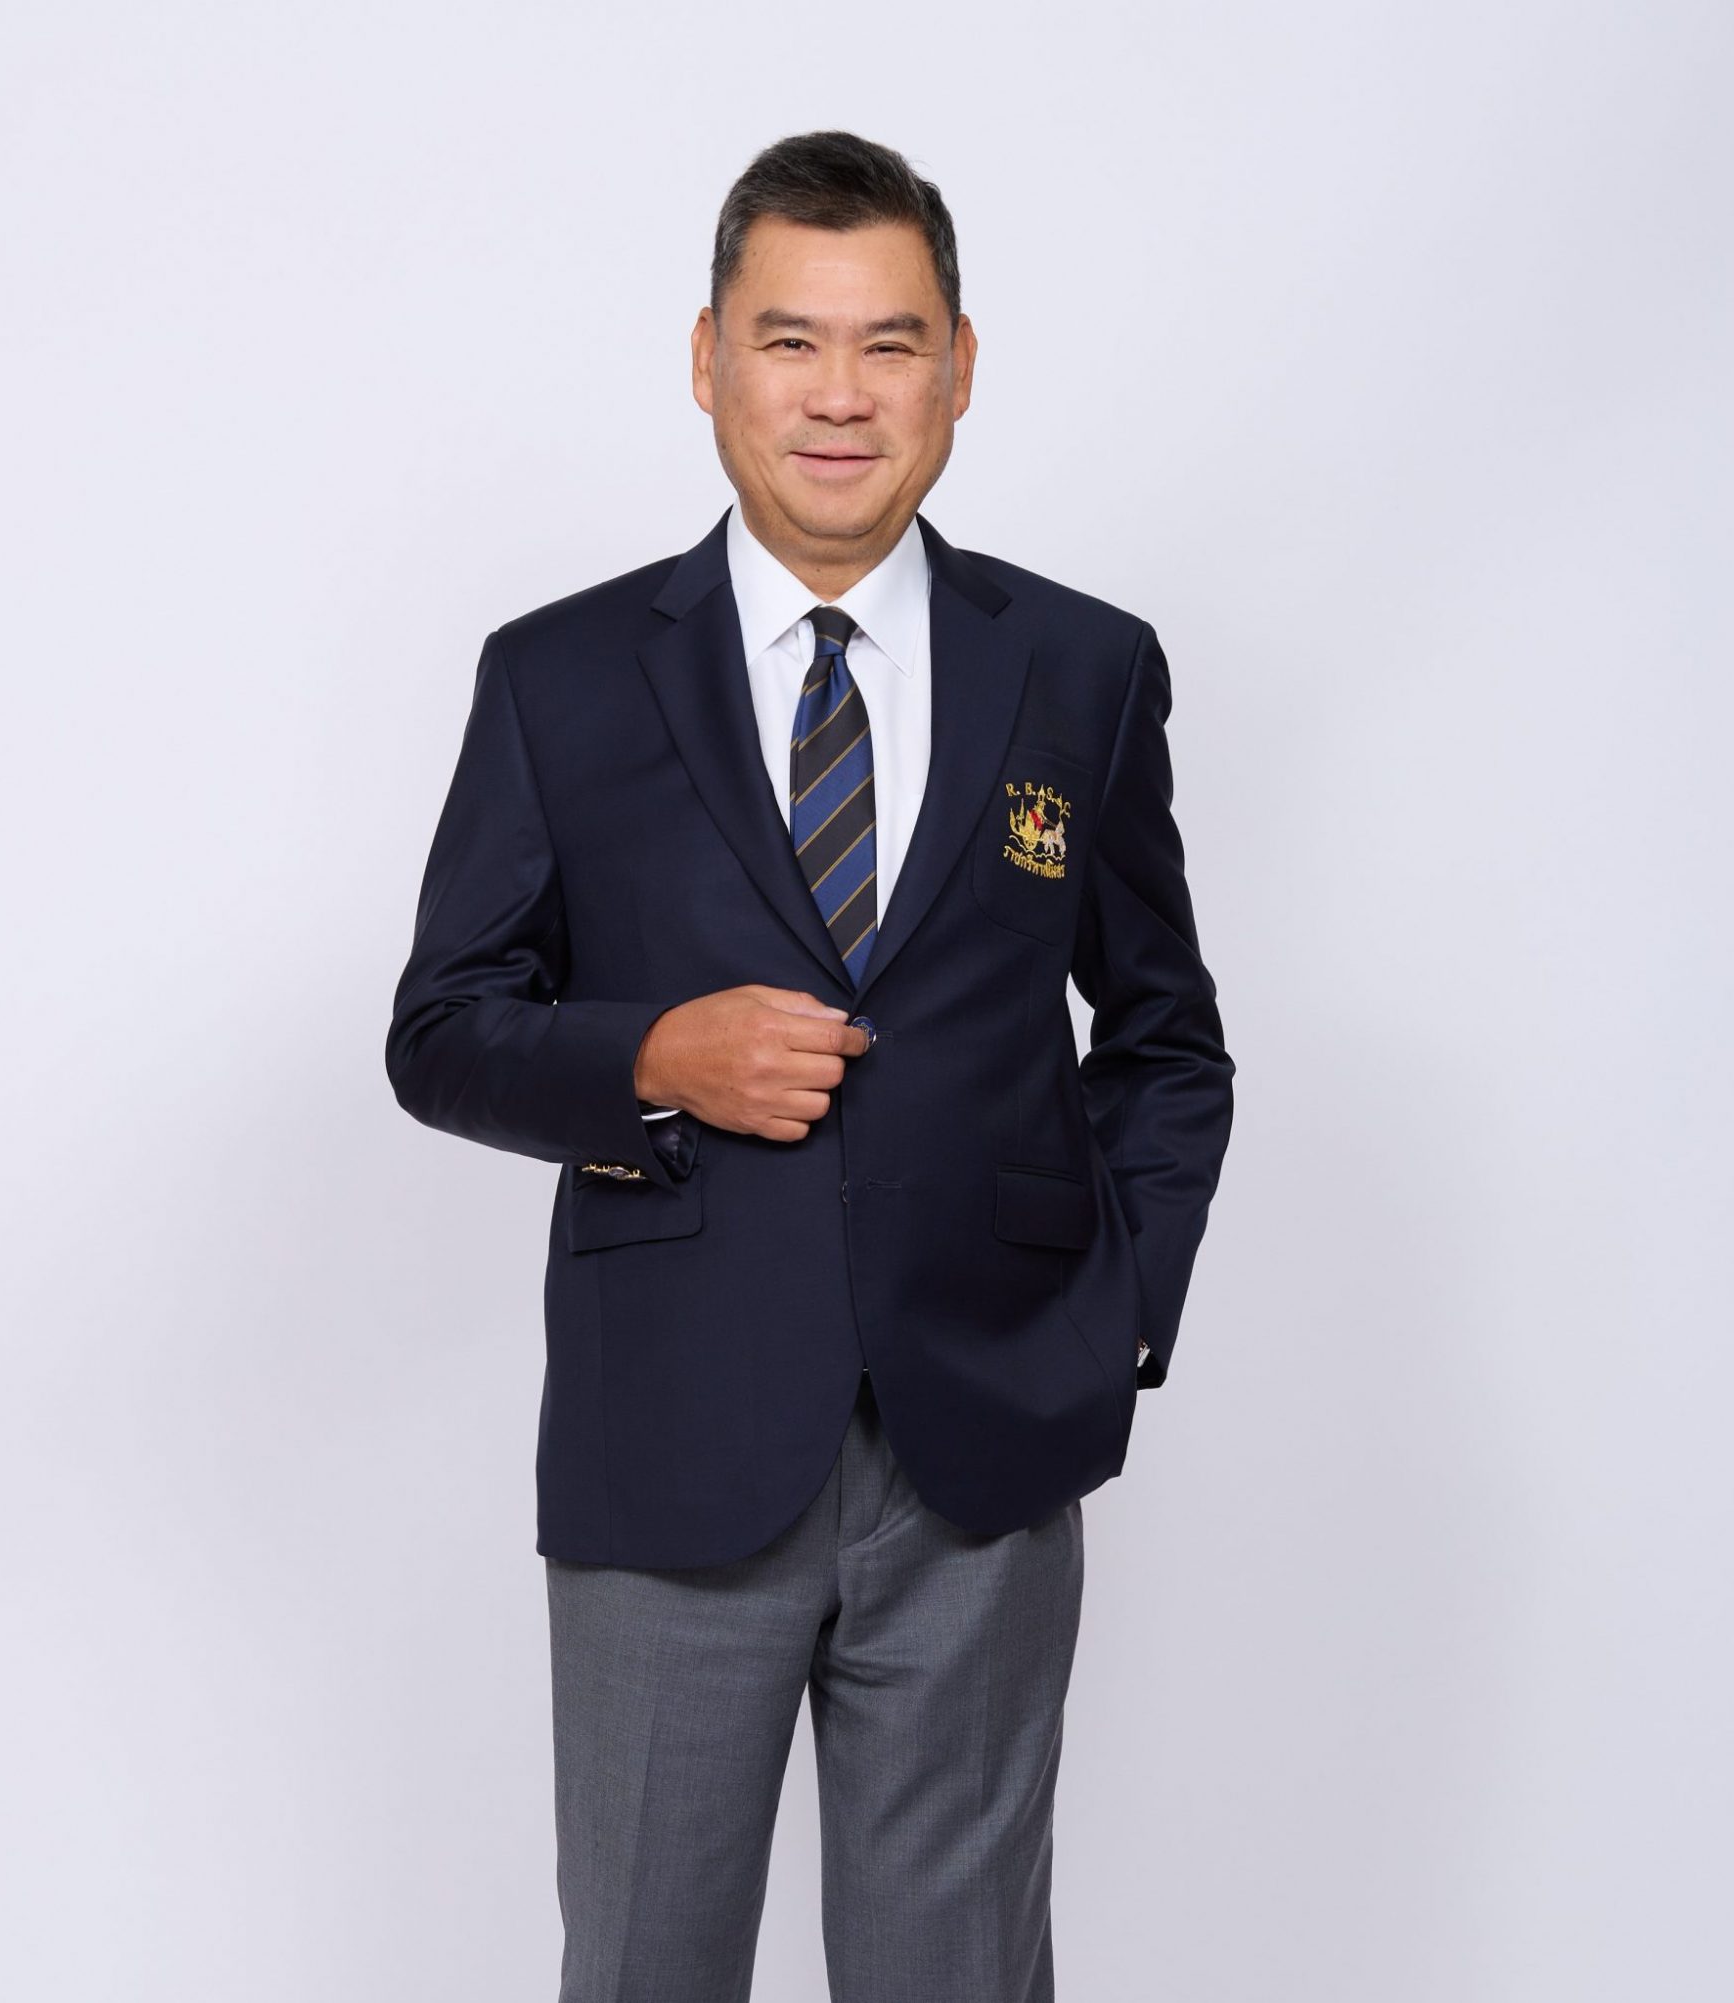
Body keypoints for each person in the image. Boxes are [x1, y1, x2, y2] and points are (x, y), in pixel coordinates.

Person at [386, 128, 1236, 2003]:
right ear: (710, 361)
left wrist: (1113, 1316)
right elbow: (439, 1029)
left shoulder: (1082, 669)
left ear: (959, 368)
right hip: (669, 1447)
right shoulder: (560, 677)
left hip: (980, 1461)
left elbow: (1167, 1038)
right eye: (790, 341)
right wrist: (649, 1054)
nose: (840, 395)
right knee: (647, 1969)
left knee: (959, 1974)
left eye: (889, 342)